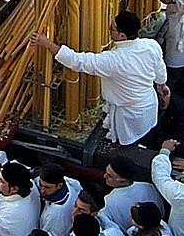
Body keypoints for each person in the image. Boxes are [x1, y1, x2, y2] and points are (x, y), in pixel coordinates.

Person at [32, 11, 166, 146]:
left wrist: (48, 44)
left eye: (112, 28)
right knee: (147, 136)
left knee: (128, 145)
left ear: (122, 35)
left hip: (129, 116)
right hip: (149, 105)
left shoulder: (114, 60)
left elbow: (78, 61)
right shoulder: (151, 45)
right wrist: (162, 85)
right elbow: (159, 69)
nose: (109, 30)